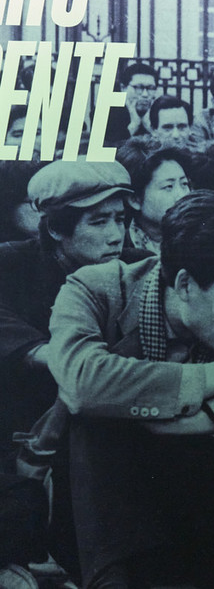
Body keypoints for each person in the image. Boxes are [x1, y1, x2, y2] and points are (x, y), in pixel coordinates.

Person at [42, 190, 214, 588]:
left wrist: (198, 417)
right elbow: (82, 382)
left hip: (209, 511)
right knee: (94, 421)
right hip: (101, 510)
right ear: (184, 284)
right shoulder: (96, 289)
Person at [0, 161, 143, 467]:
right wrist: (50, 354)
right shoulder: (12, 264)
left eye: (120, 219)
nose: (115, 235)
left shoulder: (138, 267)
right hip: (27, 441)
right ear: (55, 228)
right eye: (99, 222)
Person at [116, 138, 193, 254]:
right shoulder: (119, 247)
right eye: (168, 186)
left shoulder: (199, 239)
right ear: (135, 200)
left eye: (184, 184)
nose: (182, 195)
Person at [104, 63, 159, 147]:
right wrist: (134, 125)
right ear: (123, 88)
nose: (145, 94)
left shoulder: (160, 113)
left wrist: (150, 128)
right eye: (138, 87)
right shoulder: (107, 114)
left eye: (151, 88)